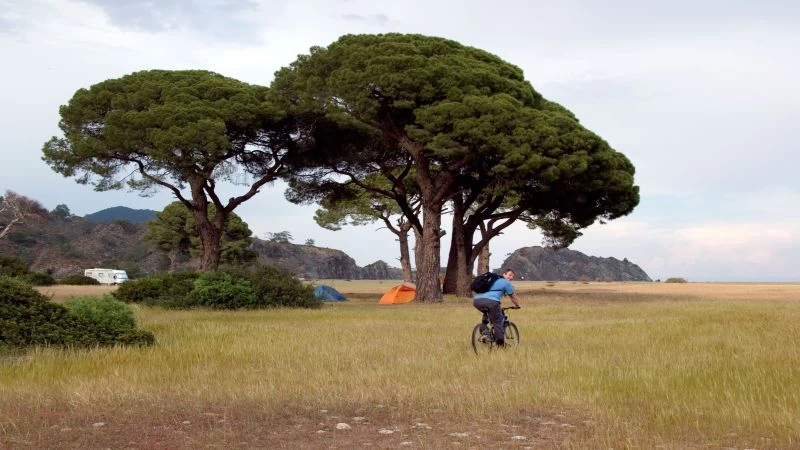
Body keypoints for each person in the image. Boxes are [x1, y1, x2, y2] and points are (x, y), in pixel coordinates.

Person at [473, 268, 521, 346]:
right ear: (504, 274)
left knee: (488, 313)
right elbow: (513, 297)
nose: (511, 277)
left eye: (512, 276)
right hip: (491, 302)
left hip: (477, 301)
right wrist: (517, 305)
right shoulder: (505, 283)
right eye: (509, 275)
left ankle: (484, 331)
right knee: (497, 321)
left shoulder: (492, 280)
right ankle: (500, 343)